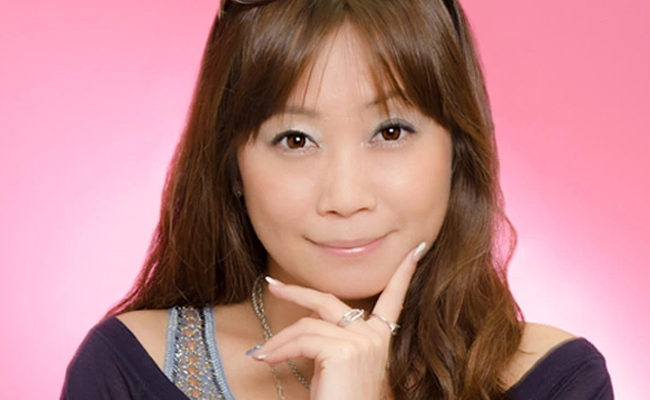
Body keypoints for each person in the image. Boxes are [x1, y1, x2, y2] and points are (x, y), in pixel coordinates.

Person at [61, 0, 614, 399]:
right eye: (296, 140)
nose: (346, 198)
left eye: (391, 132)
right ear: (232, 166)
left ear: (458, 150)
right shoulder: (128, 370)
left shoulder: (556, 381)